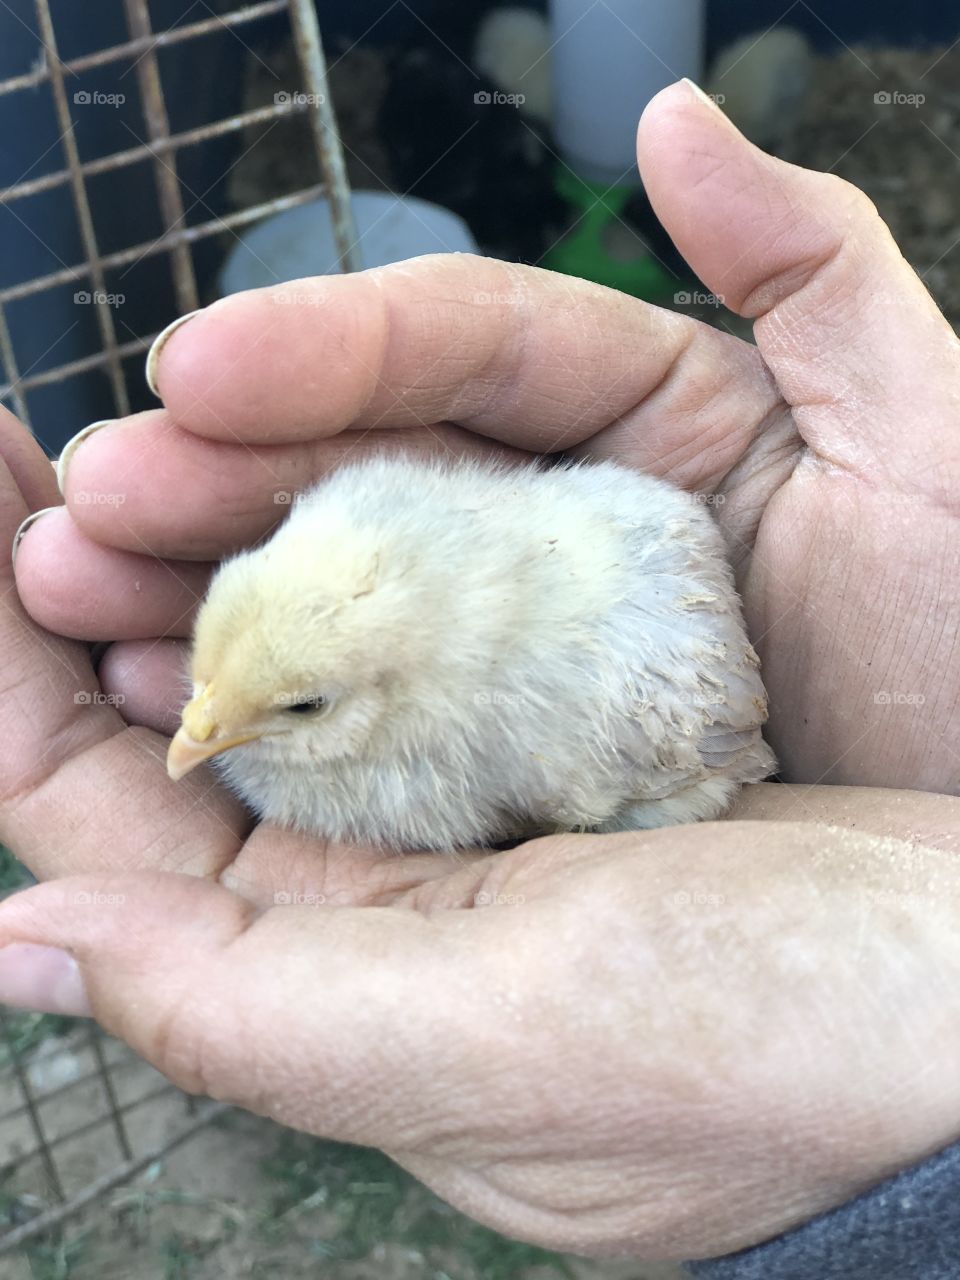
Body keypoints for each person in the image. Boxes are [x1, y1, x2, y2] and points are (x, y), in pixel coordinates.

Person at [0, 81, 958, 1276]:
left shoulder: (553, 710)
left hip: (660, 681)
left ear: (383, 694)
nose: (203, 727)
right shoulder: (324, 611)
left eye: (290, 708)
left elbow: (619, 742)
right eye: (216, 674)